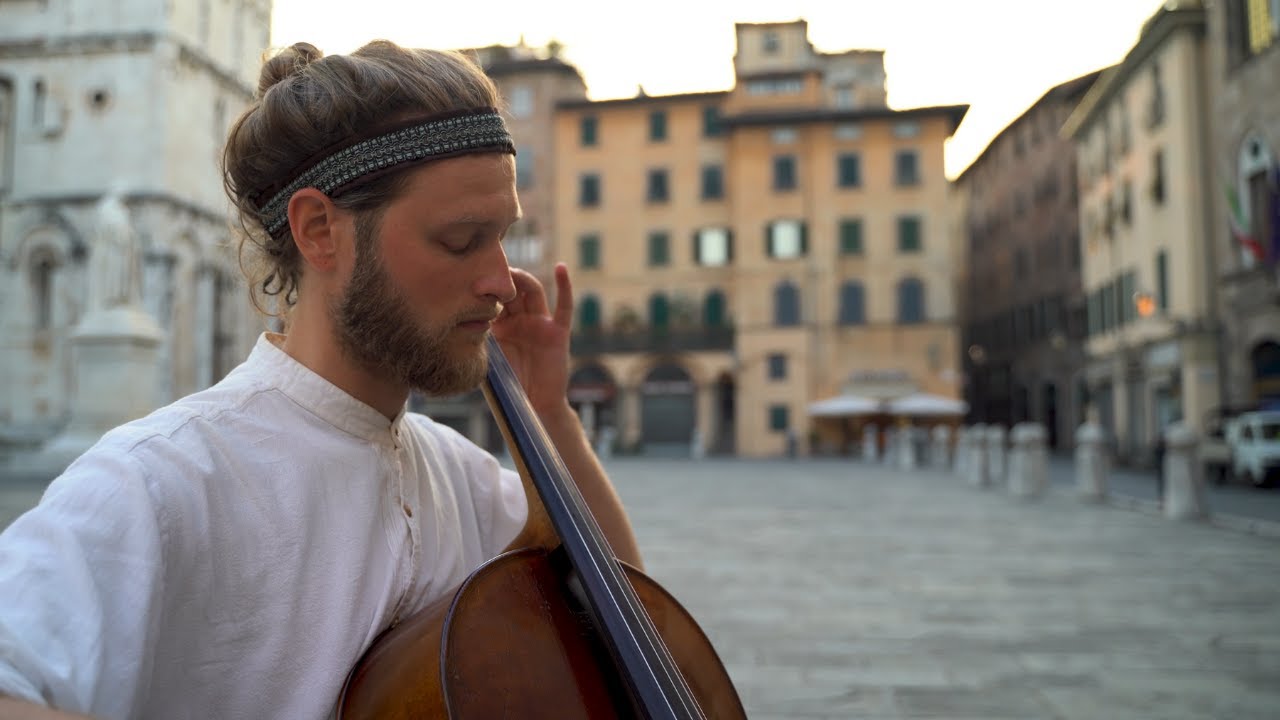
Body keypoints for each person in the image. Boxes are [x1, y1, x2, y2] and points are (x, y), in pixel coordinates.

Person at [0, 40, 641, 719]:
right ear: (318, 230)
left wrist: (547, 412)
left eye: (502, 237)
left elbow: (629, 621)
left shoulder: (461, 476)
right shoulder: (161, 480)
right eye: (460, 240)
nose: (501, 281)